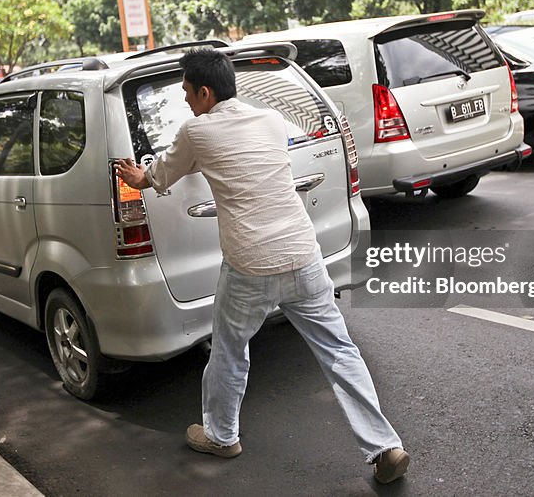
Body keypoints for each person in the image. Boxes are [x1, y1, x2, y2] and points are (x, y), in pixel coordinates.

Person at [114, 49, 409, 484]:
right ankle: (385, 447)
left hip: (250, 266)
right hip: (303, 254)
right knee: (340, 351)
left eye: (187, 93)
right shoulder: (270, 121)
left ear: (205, 92)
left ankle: (221, 435)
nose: (185, 100)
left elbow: (157, 176)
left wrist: (135, 175)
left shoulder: (196, 132)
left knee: (230, 350)